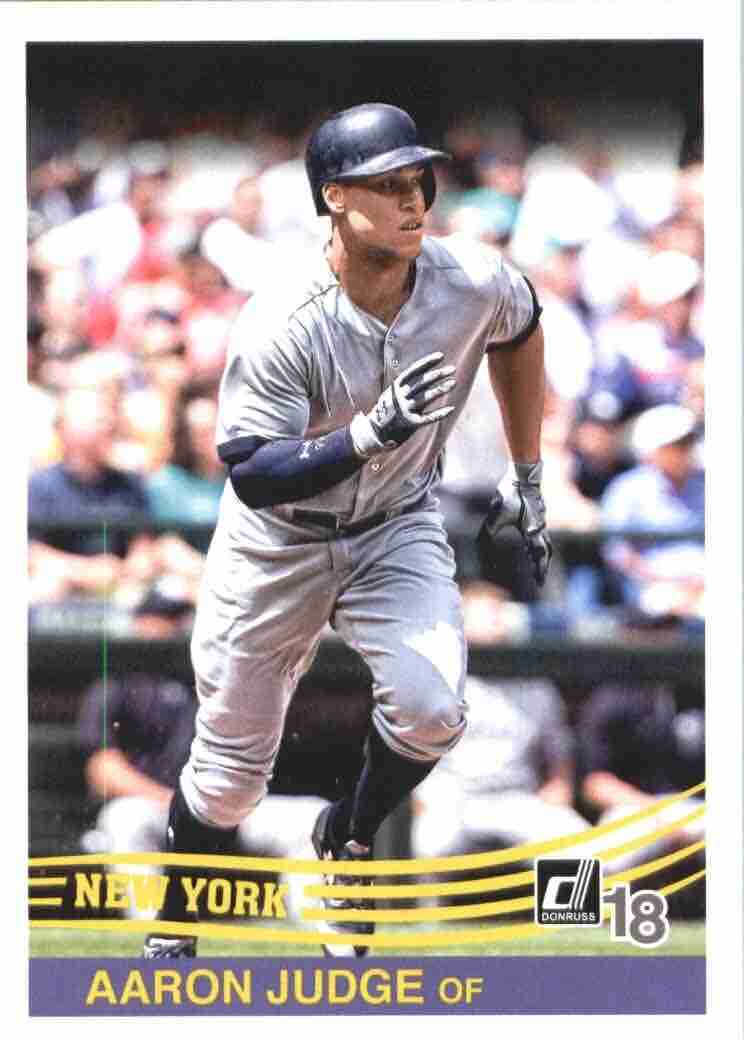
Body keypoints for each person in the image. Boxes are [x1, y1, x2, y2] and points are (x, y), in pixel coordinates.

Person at [143, 102, 552, 960]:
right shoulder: (283, 316)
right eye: (387, 184)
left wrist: (525, 473)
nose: (413, 200)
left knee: (434, 708)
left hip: (394, 524)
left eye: (418, 181)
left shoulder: (471, 278)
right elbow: (252, 470)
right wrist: (366, 434)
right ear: (334, 196)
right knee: (230, 776)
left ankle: (349, 836)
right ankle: (177, 925)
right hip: (277, 540)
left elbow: (522, 328)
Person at [79, 592, 328, 923]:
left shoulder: (214, 677)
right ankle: (155, 935)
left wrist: (228, 802)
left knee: (312, 817)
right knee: (124, 818)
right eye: (164, 617)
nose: (176, 626)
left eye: (180, 617)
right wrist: (172, 801)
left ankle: (314, 935)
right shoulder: (117, 683)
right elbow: (103, 770)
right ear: (140, 622)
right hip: (159, 808)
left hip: (228, 808)